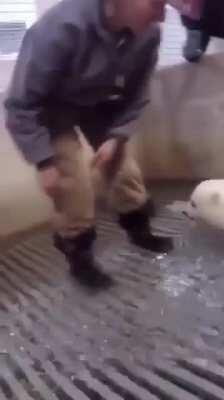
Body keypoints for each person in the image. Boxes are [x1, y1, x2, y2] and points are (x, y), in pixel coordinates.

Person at [4, 0, 173, 290]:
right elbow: (21, 104)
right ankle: (78, 255)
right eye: (154, 3)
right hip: (50, 108)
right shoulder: (59, 28)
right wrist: (44, 162)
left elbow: (138, 92)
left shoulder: (149, 33)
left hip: (101, 103)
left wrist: (117, 137)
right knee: (72, 184)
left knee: (124, 170)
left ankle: (138, 229)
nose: (162, 15)